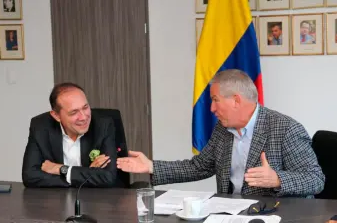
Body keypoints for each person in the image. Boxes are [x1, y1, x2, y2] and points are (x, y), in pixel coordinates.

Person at [117, 69, 325, 197]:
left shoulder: (286, 129)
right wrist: (151, 166)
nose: (211, 109)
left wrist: (277, 179)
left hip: (276, 214)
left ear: (236, 100)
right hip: (230, 214)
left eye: (215, 100)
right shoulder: (223, 129)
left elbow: (315, 180)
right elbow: (199, 167)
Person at [22, 82, 120, 188]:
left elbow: (108, 177)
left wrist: (60, 169)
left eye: (85, 107)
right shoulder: (41, 127)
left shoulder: (103, 125)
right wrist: (87, 174)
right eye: (74, 112)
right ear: (56, 115)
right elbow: (30, 176)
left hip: (96, 200)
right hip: (57, 200)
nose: (83, 117)